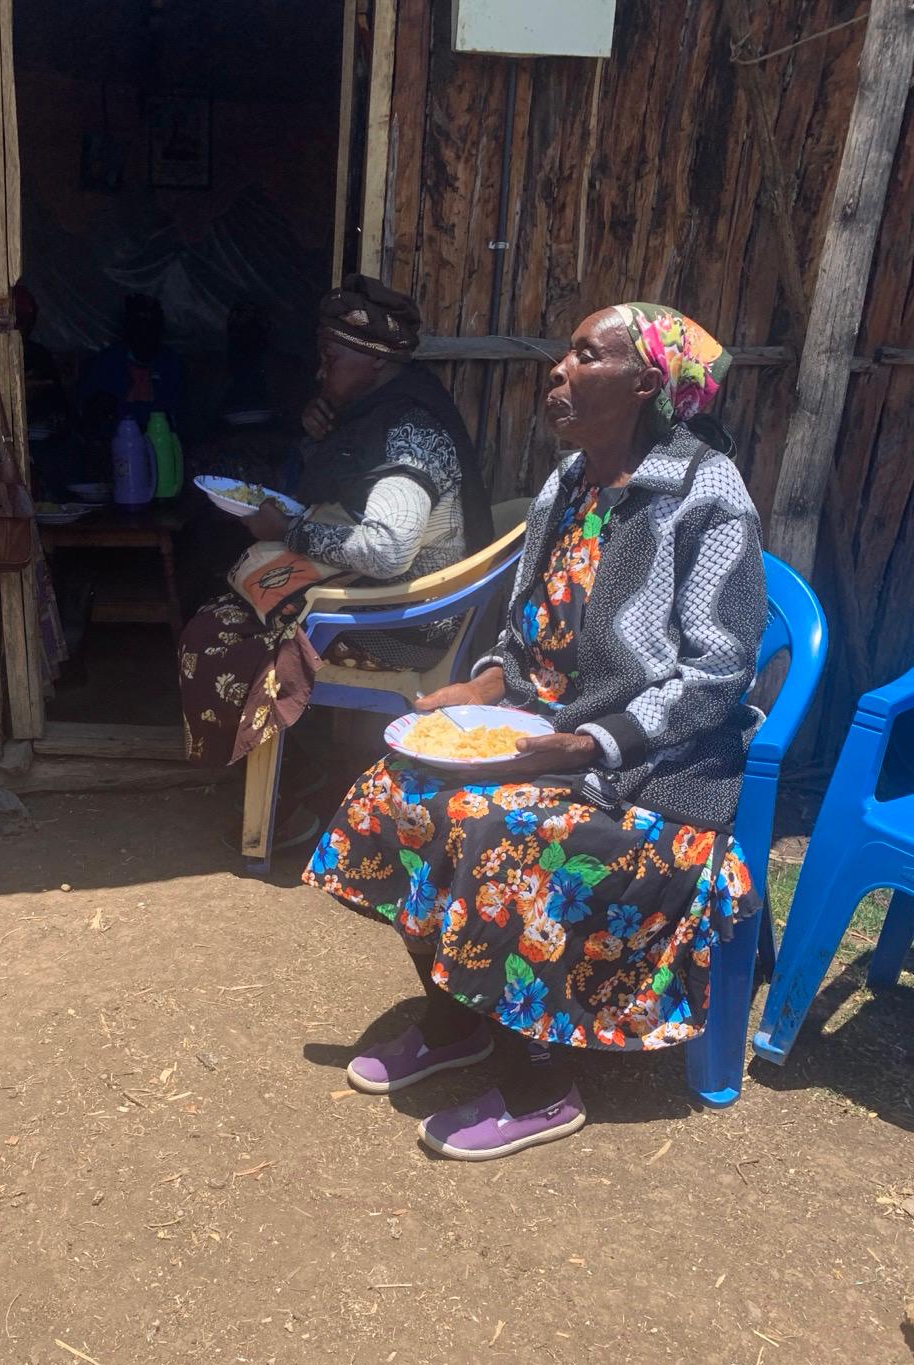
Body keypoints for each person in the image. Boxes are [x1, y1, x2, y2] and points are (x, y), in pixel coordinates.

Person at [304, 302, 767, 1160]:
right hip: (542, 737)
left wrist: (589, 745)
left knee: (501, 837)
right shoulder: (569, 483)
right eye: (563, 353)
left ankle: (540, 1085)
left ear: (647, 385)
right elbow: (527, 641)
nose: (558, 369)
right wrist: (474, 689)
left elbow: (716, 677)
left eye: (587, 357)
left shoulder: (708, 498)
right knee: (394, 791)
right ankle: (456, 1023)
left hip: (654, 773)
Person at [178, 275, 494, 844]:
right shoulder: (380, 412)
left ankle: (298, 784)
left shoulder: (406, 434)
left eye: (330, 359)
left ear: (373, 362)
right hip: (393, 597)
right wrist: (317, 433)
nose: (320, 374)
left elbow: (388, 547)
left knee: (223, 634)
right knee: (232, 601)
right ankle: (295, 773)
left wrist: (290, 530)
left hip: (406, 624)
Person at [79, 293, 183, 434]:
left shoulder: (170, 362)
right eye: (139, 322)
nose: (145, 329)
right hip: (117, 440)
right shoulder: (109, 361)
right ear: (128, 327)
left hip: (160, 439)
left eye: (151, 322)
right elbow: (89, 410)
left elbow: (177, 412)